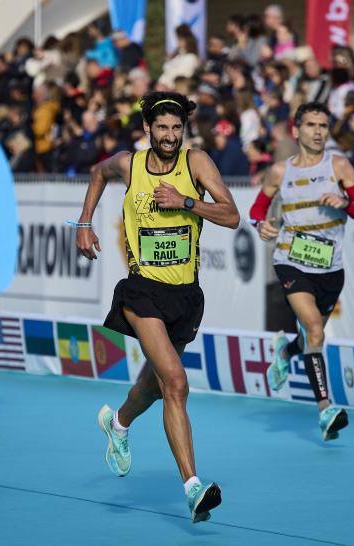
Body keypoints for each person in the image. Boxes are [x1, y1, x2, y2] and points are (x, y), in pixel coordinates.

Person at [76, 91, 240, 523]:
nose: (169, 136)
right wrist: (83, 223)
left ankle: (119, 423)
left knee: (154, 387)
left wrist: (186, 201)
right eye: (161, 128)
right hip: (142, 291)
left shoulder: (196, 162)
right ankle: (192, 487)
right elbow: (96, 173)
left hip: (185, 296)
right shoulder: (130, 164)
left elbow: (231, 215)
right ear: (148, 129)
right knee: (176, 382)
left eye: (176, 128)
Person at [249, 102, 354, 441]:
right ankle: (325, 409)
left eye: (323, 125)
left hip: (331, 268)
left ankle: (286, 352)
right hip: (291, 260)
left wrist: (346, 203)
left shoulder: (340, 165)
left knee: (308, 339)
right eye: (311, 125)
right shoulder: (279, 171)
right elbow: (258, 208)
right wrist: (261, 224)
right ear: (296, 130)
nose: (318, 132)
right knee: (315, 330)